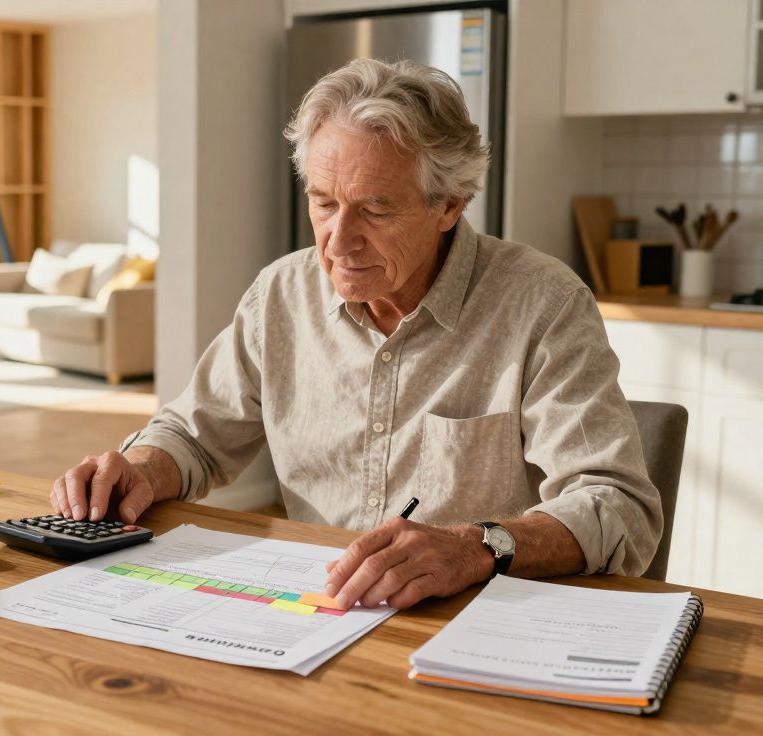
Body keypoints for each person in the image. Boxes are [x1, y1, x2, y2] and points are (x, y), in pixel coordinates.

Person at [51, 59, 662, 611]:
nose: (338, 243)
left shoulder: (543, 304)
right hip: (318, 613)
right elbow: (193, 435)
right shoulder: (280, 295)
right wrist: (139, 468)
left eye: (374, 210)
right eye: (323, 204)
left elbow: (617, 507)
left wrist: (475, 546)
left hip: (477, 624)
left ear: (450, 204)